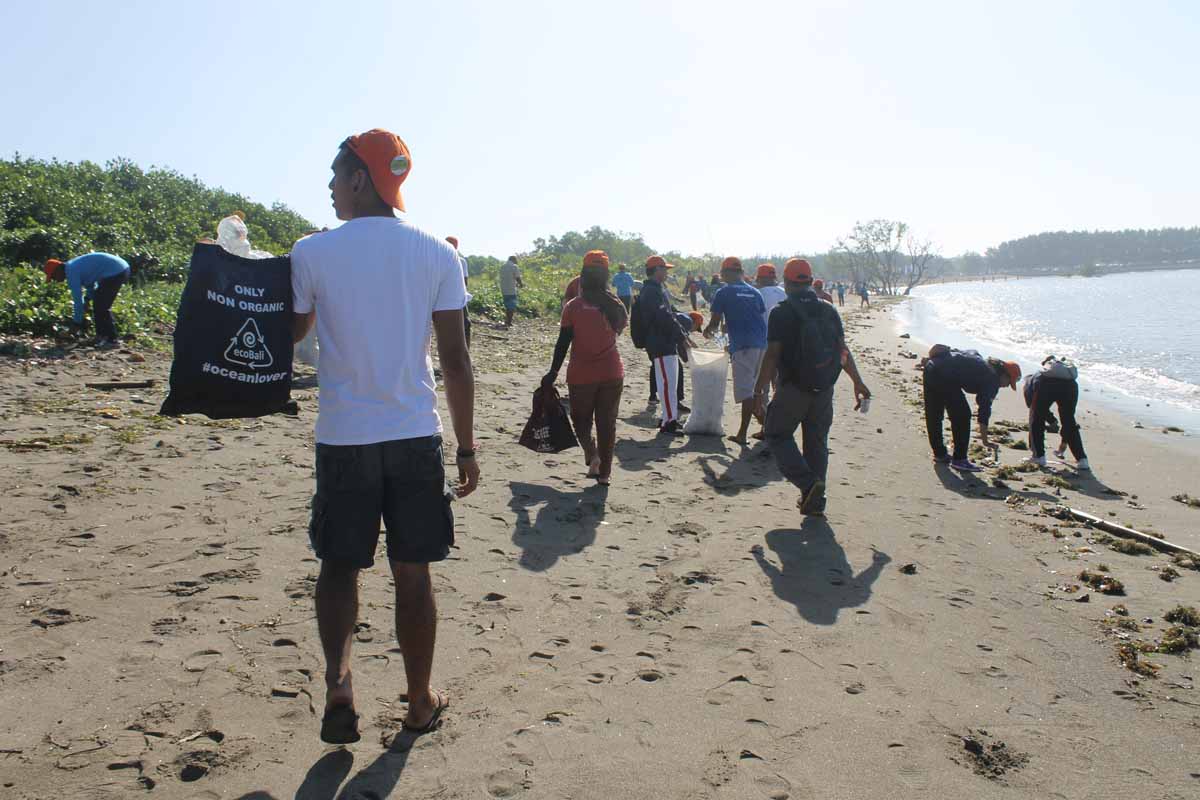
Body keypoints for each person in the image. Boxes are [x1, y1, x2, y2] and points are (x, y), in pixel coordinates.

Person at [290, 128, 479, 745]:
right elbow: (455, 360)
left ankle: (340, 683)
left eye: (336, 175)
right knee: (412, 573)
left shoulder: (312, 253)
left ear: (360, 179)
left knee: (339, 567)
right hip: (412, 436)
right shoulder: (436, 253)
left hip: (344, 437)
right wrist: (467, 446)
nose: (329, 187)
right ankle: (419, 702)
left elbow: (289, 336)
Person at [753, 259, 871, 515]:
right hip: (824, 388)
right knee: (817, 443)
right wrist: (857, 381)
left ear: (786, 282)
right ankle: (815, 498)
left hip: (793, 388)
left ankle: (808, 484)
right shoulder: (828, 310)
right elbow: (843, 350)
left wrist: (759, 389)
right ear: (810, 280)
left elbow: (772, 355)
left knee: (776, 434)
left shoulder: (781, 312)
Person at [542, 250, 627, 485]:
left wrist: (553, 372)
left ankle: (591, 454)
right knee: (606, 423)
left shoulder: (573, 306)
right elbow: (618, 331)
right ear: (606, 275)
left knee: (581, 420)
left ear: (583, 275)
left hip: (581, 375)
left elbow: (563, 343)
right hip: (612, 372)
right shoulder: (616, 305)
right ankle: (605, 474)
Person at [917, 344, 1020, 472]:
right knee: (963, 416)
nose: (1006, 386)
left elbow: (945, 349)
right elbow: (984, 411)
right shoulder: (992, 380)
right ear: (1004, 375)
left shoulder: (977, 357)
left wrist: (930, 359)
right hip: (945, 377)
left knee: (934, 413)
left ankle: (939, 454)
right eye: (1009, 382)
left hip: (931, 368)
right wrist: (985, 441)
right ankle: (960, 460)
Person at [703, 257, 767, 445]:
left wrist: (708, 332)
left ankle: (744, 433)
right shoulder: (755, 292)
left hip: (744, 347)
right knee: (758, 390)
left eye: (723, 274)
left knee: (746, 392)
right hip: (762, 346)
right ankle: (767, 429)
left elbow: (714, 324)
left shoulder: (724, 292)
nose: (722, 277)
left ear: (727, 273)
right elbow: (756, 318)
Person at [637, 255, 690, 433]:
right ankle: (669, 422)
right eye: (664, 269)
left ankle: (669, 417)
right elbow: (664, 317)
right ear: (656, 270)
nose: (667, 272)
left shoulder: (655, 289)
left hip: (664, 341)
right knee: (667, 384)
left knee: (669, 383)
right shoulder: (651, 291)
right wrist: (681, 336)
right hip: (660, 342)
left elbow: (669, 315)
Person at [44, 252, 130, 348]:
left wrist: (76, 323)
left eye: (53, 276)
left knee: (101, 306)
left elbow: (78, 301)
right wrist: (88, 299)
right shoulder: (72, 267)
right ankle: (100, 336)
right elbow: (90, 285)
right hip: (120, 268)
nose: (55, 280)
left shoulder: (71, 272)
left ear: (58, 270)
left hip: (116, 271)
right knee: (99, 304)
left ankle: (112, 340)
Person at [1024, 357, 1089, 470]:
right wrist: (1063, 441)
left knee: (1036, 419)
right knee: (1069, 420)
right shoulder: (1068, 375)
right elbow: (1067, 423)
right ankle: (1082, 460)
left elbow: (1033, 407)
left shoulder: (1034, 379)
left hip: (1045, 386)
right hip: (1071, 386)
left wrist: (1050, 420)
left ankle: (1039, 456)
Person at [753, 263, 787, 439]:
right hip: (786, 347)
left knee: (762, 387)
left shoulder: (758, 294)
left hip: (766, 346)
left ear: (759, 278)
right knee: (780, 386)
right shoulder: (784, 293)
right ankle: (781, 424)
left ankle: (766, 427)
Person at [446, 236, 472, 349]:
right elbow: (465, 282)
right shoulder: (461, 261)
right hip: (457, 297)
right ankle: (465, 350)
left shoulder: (437, 259)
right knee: (465, 324)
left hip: (443, 296)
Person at [499, 255, 523, 327]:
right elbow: (517, 277)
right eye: (516, 260)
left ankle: (507, 321)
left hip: (504, 289)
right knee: (512, 307)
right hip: (511, 290)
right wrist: (521, 284)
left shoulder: (502, 267)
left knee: (507, 306)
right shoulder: (514, 267)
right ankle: (509, 322)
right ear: (513, 260)